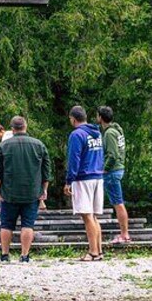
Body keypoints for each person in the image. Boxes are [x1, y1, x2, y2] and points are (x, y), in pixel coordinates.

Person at [0, 116, 52, 262]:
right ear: (25, 127)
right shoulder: (39, 145)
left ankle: (5, 255)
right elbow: (46, 171)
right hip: (32, 192)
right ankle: (24, 256)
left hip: (9, 192)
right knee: (28, 224)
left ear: (12, 129)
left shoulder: (4, 146)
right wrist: (44, 189)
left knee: (6, 224)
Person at [64, 106, 105, 261]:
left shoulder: (77, 134)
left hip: (84, 177)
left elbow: (74, 159)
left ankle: (92, 251)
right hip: (97, 176)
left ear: (73, 119)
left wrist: (69, 180)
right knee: (94, 217)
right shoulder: (97, 133)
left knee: (87, 217)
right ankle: (99, 250)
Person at [98, 106, 130, 243]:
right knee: (117, 202)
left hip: (112, 171)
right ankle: (124, 233)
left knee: (118, 203)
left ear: (100, 117)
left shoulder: (109, 133)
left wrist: (105, 169)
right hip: (118, 169)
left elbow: (112, 155)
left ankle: (124, 234)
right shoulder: (117, 130)